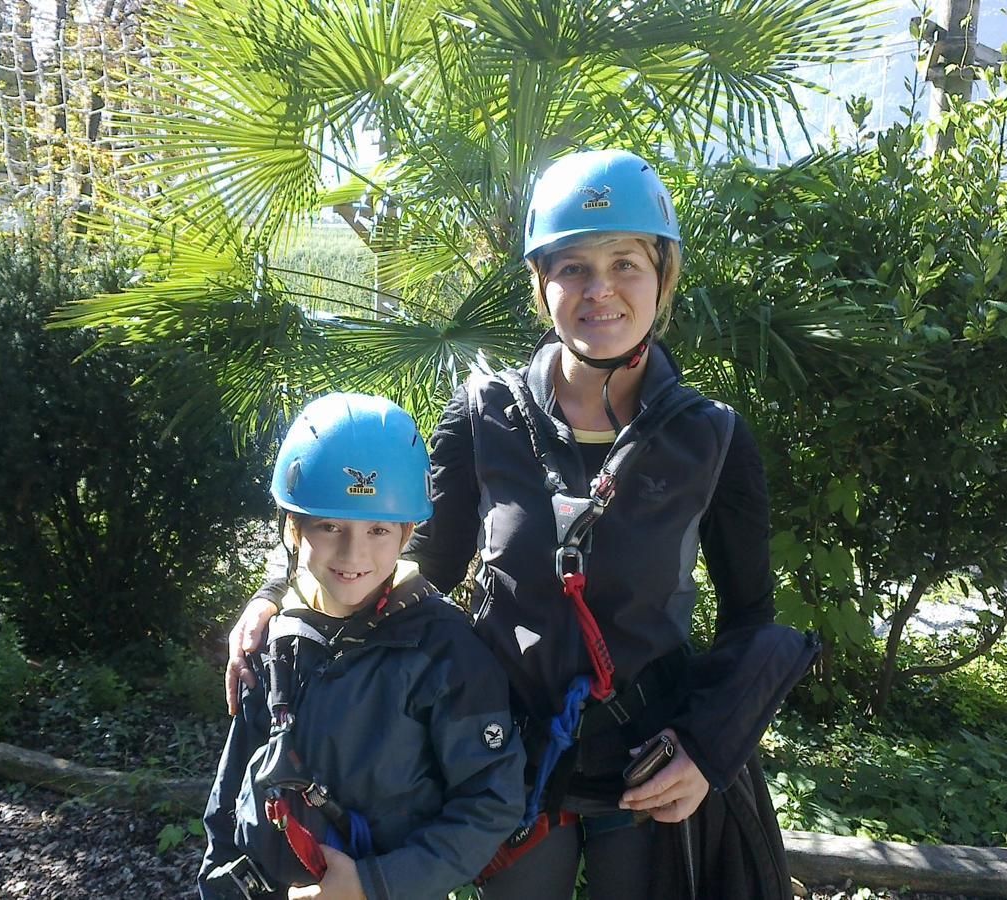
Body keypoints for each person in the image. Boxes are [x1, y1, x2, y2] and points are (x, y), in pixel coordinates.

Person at [227, 150, 818, 898]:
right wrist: (275, 592)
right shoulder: (486, 418)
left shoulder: (712, 438)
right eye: (571, 266)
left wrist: (707, 748)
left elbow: (750, 620)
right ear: (541, 285)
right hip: (503, 758)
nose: (599, 290)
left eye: (626, 263)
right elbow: (403, 558)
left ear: (663, 277)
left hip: (647, 762)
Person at [200, 392, 525, 900]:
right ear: (293, 527)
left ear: (406, 533)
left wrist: (375, 884)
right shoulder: (275, 641)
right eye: (330, 526)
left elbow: (491, 801)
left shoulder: (445, 653)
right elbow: (232, 792)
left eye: (378, 529)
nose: (354, 554)